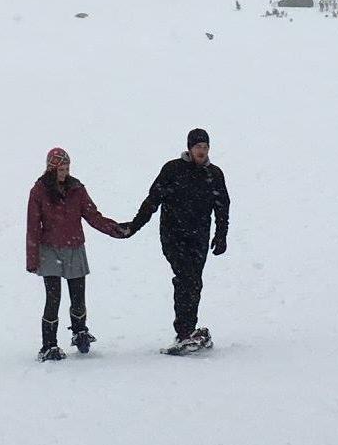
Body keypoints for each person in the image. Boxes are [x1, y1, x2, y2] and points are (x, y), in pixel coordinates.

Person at [121, 128, 230, 353]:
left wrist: (221, 236)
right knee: (185, 278)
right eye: (198, 147)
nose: (202, 151)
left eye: (205, 147)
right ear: (190, 148)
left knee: (194, 281)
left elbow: (222, 207)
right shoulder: (173, 170)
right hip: (174, 236)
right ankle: (184, 331)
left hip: (199, 237)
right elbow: (153, 200)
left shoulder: (214, 175)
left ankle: (188, 330)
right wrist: (134, 225)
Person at [26, 147, 128, 362]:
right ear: (51, 169)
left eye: (67, 168)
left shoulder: (76, 189)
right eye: (60, 169)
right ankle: (49, 345)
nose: (64, 172)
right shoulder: (39, 191)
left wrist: (115, 229)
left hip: (74, 248)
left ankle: (80, 332)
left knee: (78, 296)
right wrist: (32, 258)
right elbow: (33, 226)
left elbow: (92, 215)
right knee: (53, 298)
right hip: (50, 248)